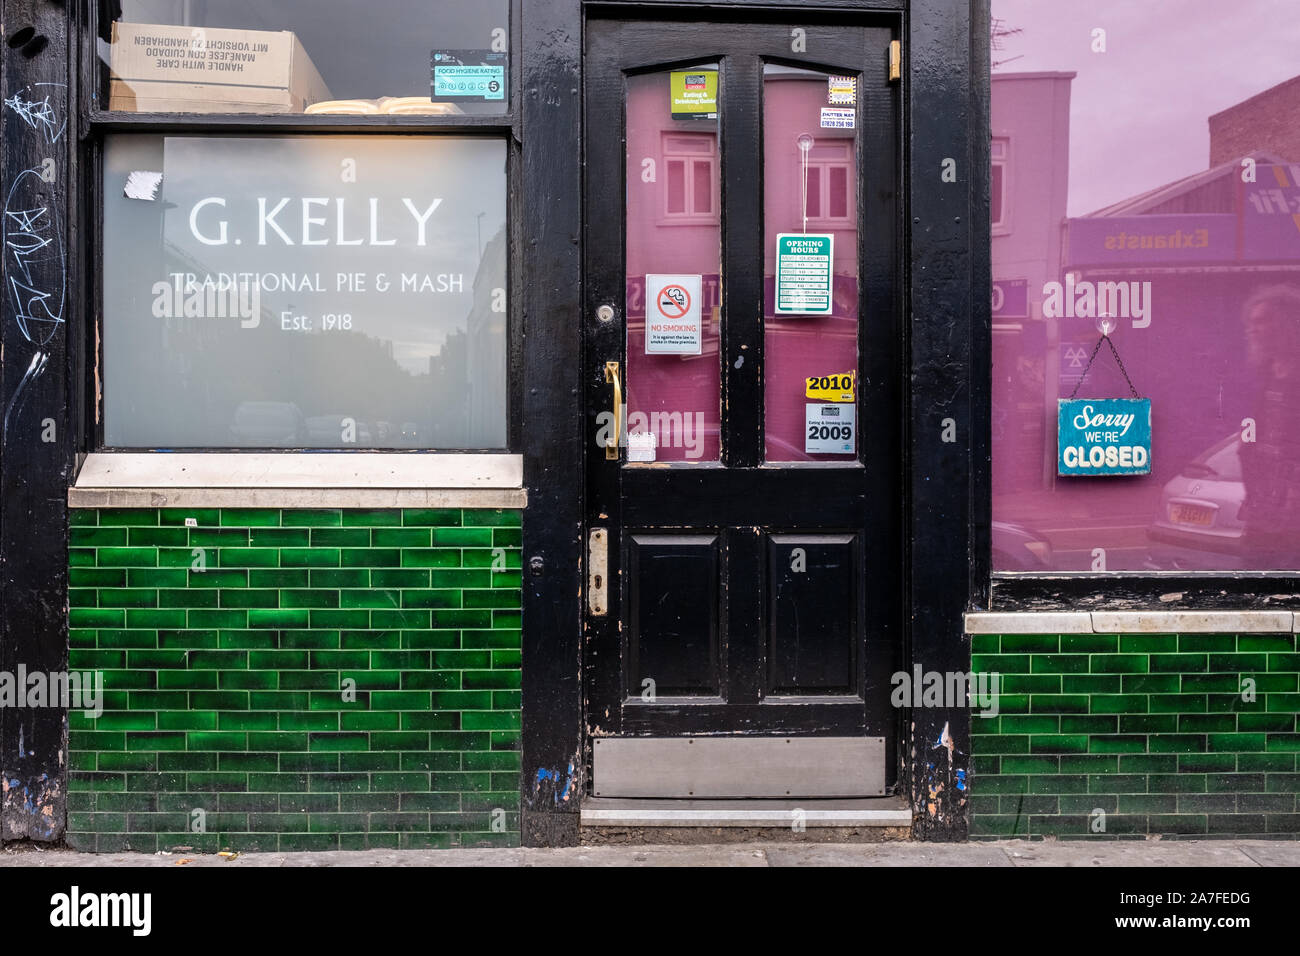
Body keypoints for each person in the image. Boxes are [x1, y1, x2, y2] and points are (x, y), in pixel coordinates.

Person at [1238, 285, 1300, 569]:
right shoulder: (1261, 374)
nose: (1254, 329)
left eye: (1263, 321)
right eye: (1252, 322)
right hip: (1262, 504)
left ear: (1287, 323)